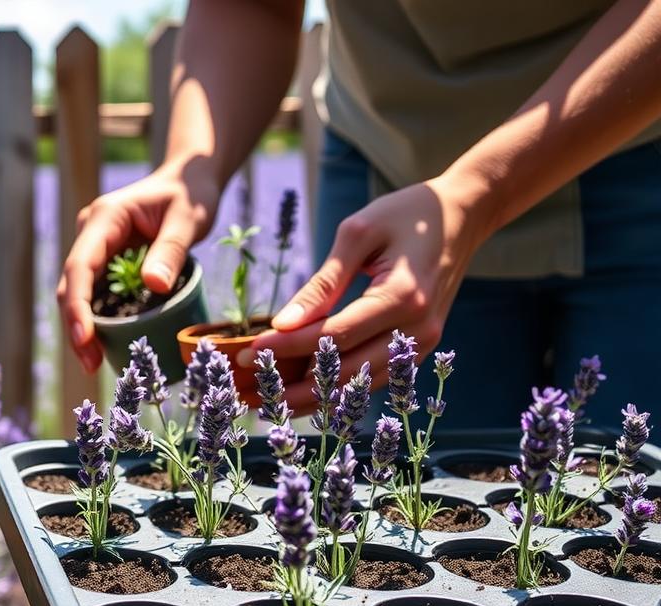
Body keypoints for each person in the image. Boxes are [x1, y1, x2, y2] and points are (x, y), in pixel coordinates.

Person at [58, 0, 661, 429]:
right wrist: (190, 169)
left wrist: (476, 194)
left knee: (627, 524)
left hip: (631, 146)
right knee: (408, 523)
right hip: (387, 163)